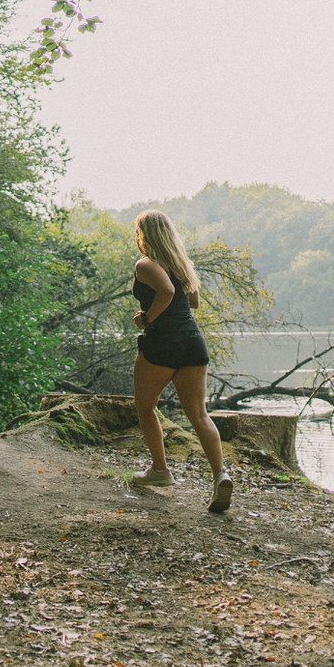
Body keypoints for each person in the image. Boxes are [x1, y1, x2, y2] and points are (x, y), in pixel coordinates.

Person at [128, 209, 230, 511]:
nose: (136, 238)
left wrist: (147, 319)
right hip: (193, 343)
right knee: (199, 415)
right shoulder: (181, 263)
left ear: (145, 235)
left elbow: (167, 291)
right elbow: (193, 301)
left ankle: (160, 471)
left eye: (138, 233)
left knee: (145, 407)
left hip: (164, 343)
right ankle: (220, 476)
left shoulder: (145, 264)